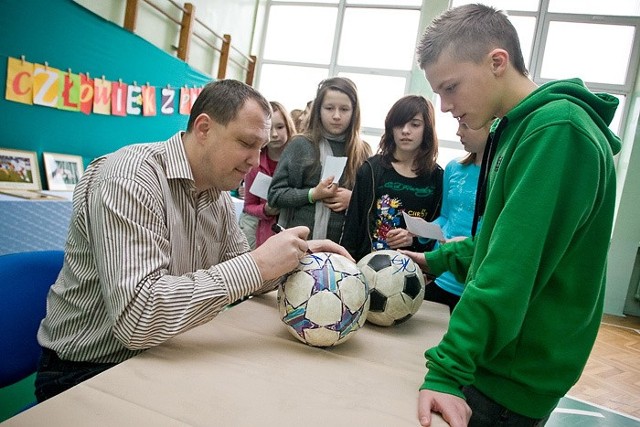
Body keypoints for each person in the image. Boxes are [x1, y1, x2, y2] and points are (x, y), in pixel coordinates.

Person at [34, 79, 352, 402]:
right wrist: (257, 265)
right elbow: (137, 318)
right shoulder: (129, 178)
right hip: (84, 370)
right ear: (203, 128)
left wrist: (294, 255)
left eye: (261, 148)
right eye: (246, 143)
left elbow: (245, 273)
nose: (256, 161)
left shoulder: (216, 195)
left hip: (164, 351)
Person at [403, 4, 622, 427]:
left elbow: (511, 268)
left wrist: (447, 370)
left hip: (509, 376)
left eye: (451, 87)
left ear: (497, 62)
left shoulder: (558, 132)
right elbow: (499, 240)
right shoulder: (521, 127)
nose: (445, 106)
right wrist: (440, 260)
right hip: (500, 360)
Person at [340, 95, 443, 262]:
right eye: (399, 124)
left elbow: (439, 228)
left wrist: (414, 239)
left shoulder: (438, 176)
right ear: (390, 128)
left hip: (413, 270)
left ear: (427, 129)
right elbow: (352, 225)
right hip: (368, 264)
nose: (405, 131)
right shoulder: (371, 169)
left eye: (415, 125)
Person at [268, 77, 371, 243]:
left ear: (354, 112)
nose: (336, 116)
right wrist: (312, 194)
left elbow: (373, 202)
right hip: (299, 245)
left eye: (344, 109)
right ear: (318, 110)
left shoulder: (363, 150)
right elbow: (275, 195)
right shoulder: (301, 145)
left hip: (343, 250)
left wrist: (353, 199)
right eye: (329, 108)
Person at [423, 119, 491, 313]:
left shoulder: (504, 174)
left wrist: (466, 244)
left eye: (466, 125)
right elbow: (446, 217)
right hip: (441, 276)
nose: (458, 133)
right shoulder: (454, 167)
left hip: (475, 282)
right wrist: (420, 231)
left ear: (493, 125)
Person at [239, 101, 296, 248]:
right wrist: (265, 210)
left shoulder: (298, 159)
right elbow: (249, 205)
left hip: (293, 228)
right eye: (270, 129)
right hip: (262, 233)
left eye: (280, 127)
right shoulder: (254, 163)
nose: (275, 134)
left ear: (289, 126)